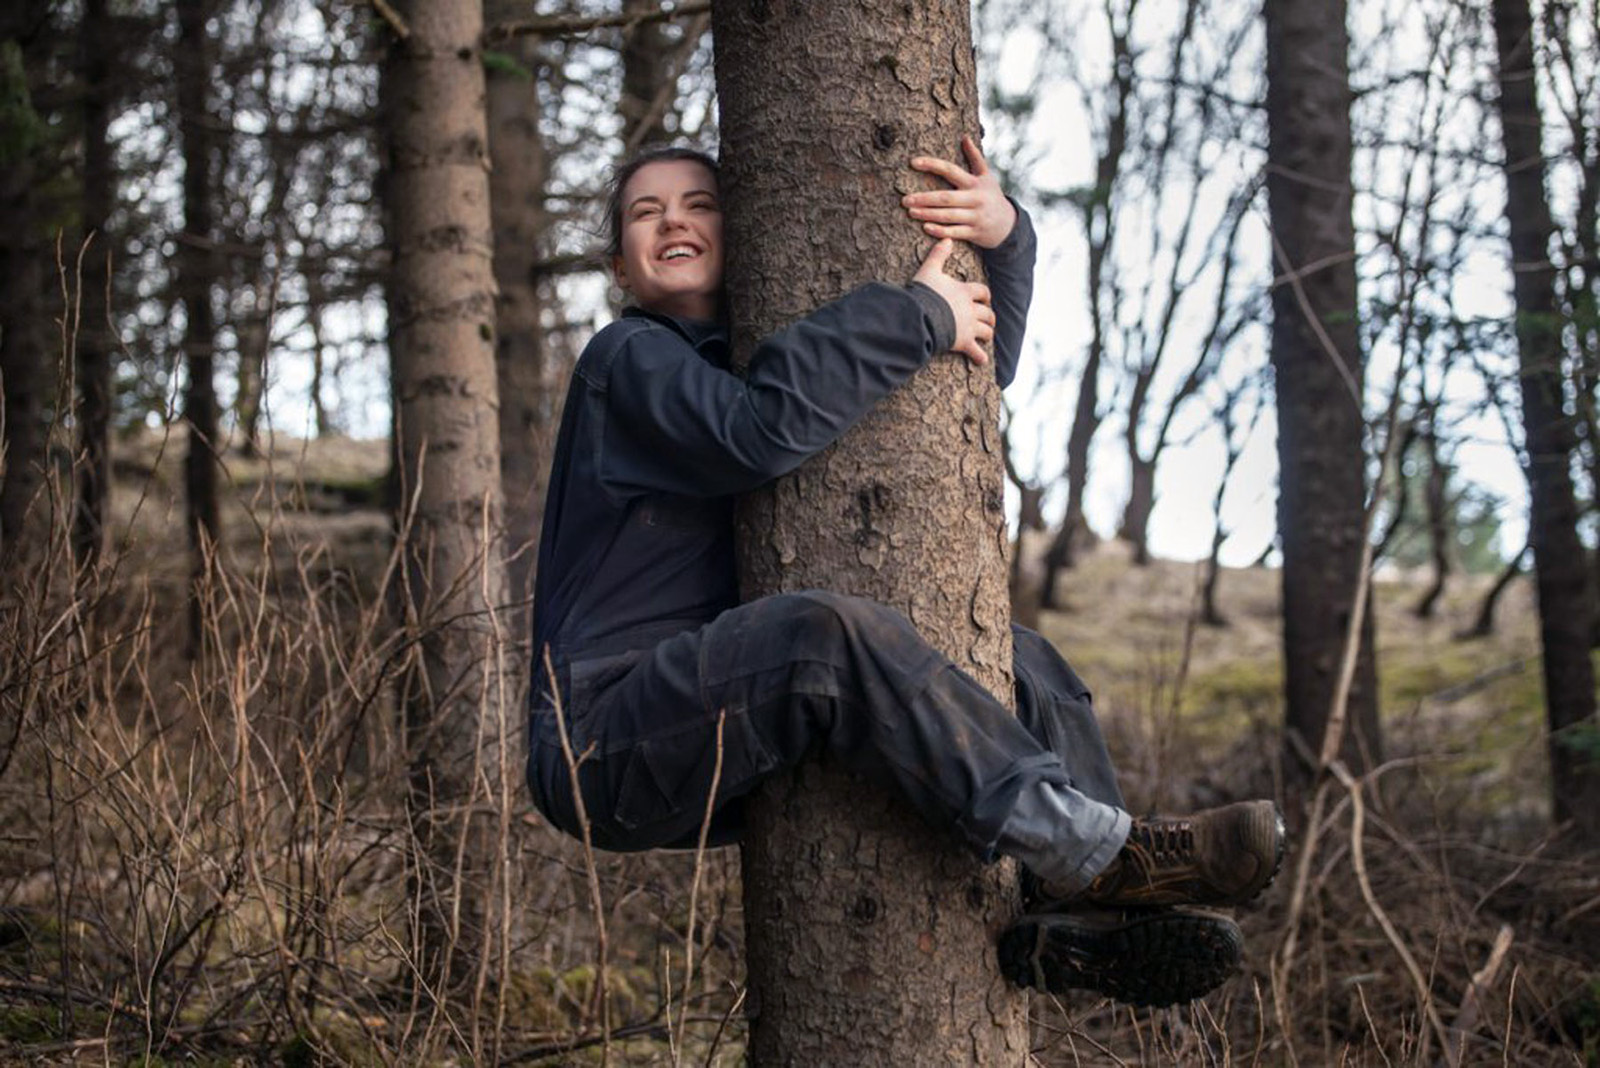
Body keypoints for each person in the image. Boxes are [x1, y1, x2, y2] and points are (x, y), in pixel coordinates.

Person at [526, 137, 1285, 1008]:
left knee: (1016, 659)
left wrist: (1005, 241)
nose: (674, 222)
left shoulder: (750, 348)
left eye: (700, 204)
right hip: (603, 735)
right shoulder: (625, 360)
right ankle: (1099, 851)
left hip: (705, 708)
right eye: (646, 213)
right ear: (619, 263)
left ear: (746, 230)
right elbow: (754, 432)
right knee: (819, 635)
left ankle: (1088, 919)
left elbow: (965, 385)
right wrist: (916, 311)